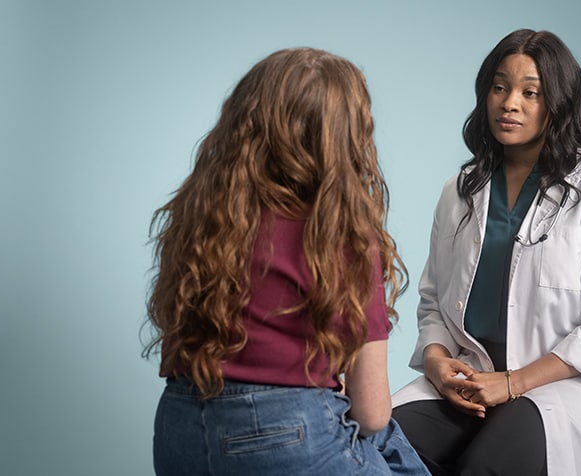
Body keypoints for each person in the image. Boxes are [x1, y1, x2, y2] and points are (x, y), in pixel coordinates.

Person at [143, 47, 430, 476]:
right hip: (283, 433)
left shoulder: (199, 220)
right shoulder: (340, 233)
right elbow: (371, 413)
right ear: (346, 137)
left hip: (179, 428)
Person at [391, 29, 581, 476]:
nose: (510, 103)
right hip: (472, 381)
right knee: (381, 445)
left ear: (559, 103)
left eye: (531, 92)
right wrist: (435, 362)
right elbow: (433, 301)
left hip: (561, 389)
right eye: (499, 87)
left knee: (489, 461)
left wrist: (513, 383)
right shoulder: (459, 191)